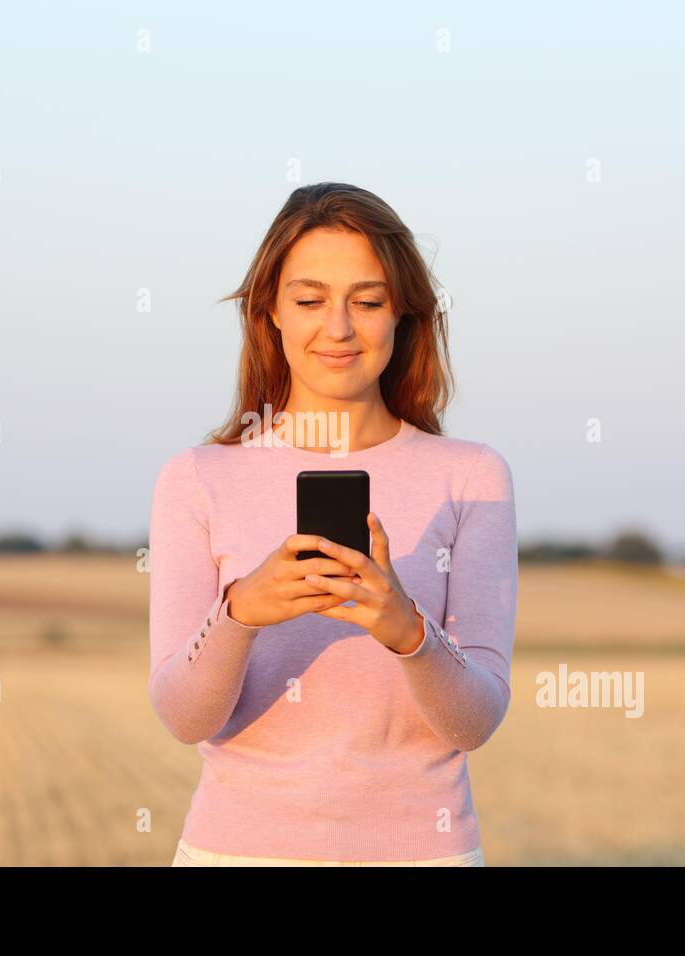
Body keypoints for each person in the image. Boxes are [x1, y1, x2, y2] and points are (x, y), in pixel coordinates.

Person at [149, 182, 517, 866]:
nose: (340, 328)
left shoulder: (472, 476)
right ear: (271, 315)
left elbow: (474, 723)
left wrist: (408, 632)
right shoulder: (197, 477)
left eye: (369, 302)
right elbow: (182, 716)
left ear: (404, 315)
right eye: (311, 300)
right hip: (237, 851)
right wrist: (240, 613)